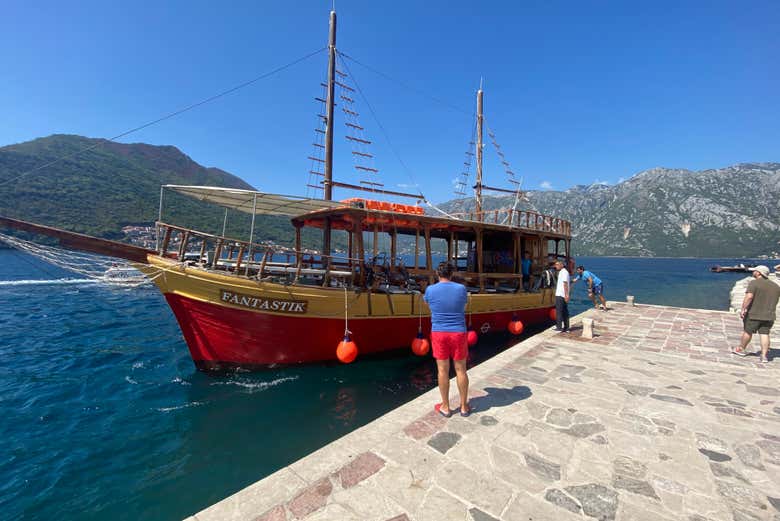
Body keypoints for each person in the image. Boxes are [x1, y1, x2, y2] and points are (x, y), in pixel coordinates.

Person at [423, 262, 470, 417]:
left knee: (443, 370)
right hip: (458, 332)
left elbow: (428, 303)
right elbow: (463, 306)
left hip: (439, 333)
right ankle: (464, 406)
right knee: (461, 370)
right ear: (452, 274)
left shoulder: (430, 290)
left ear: (438, 274)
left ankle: (446, 406)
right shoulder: (461, 289)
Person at [732, 265, 780, 363]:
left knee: (748, 332)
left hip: (754, 314)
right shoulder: (775, 286)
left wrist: (743, 309)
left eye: (755, 271)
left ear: (759, 273)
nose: (753, 272)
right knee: (765, 334)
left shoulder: (754, 283)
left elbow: (749, 297)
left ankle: (741, 349)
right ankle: (764, 356)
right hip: (769, 315)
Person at [553, 260, 570, 332]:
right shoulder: (563, 272)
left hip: (561, 294)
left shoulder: (564, 272)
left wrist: (566, 295)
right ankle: (566, 327)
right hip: (562, 294)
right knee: (564, 311)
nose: (555, 266)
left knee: (559, 311)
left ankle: (559, 327)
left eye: (557, 264)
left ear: (562, 265)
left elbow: (565, 283)